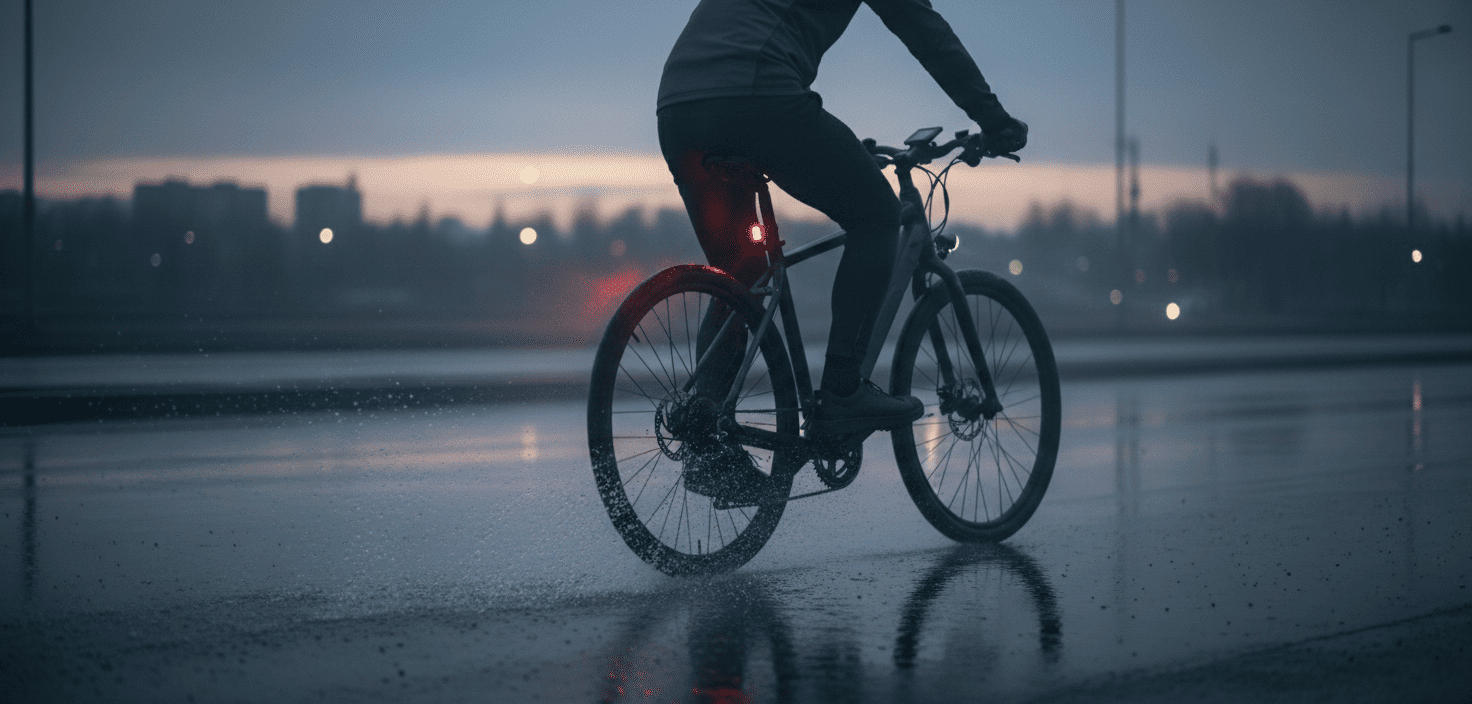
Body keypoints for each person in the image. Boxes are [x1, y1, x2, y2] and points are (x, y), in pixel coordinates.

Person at [657, 0, 1027, 502]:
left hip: (680, 107)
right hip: (758, 95)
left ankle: (706, 441)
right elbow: (922, 29)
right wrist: (993, 118)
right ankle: (842, 392)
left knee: (741, 273)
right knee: (877, 216)